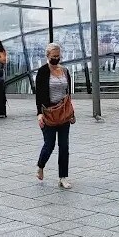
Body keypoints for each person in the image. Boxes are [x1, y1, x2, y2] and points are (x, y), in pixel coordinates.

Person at [35, 42, 74, 189]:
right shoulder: (42, 72)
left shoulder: (64, 71)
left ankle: (63, 177)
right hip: (48, 112)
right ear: (47, 56)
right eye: (53, 56)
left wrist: (71, 112)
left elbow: (68, 94)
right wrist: (39, 113)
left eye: (58, 56)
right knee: (49, 144)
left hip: (63, 112)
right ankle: (40, 166)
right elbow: (39, 95)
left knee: (64, 146)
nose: (56, 58)